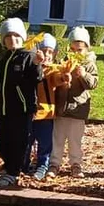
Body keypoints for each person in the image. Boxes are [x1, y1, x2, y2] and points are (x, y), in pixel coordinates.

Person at [0, 18, 43, 188]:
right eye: (9, 36)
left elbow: (36, 78)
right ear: (3, 40)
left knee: (18, 141)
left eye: (16, 36)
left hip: (21, 108)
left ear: (23, 38)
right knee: (1, 142)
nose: (13, 40)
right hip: (4, 108)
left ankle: (13, 172)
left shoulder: (29, 57)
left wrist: (37, 65)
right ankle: (8, 167)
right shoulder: (4, 59)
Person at [49, 26, 98, 178]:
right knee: (57, 138)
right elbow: (55, 80)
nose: (76, 53)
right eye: (73, 49)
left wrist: (83, 75)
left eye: (80, 50)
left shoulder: (89, 64)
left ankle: (76, 164)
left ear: (86, 49)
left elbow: (93, 84)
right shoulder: (64, 62)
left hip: (78, 109)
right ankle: (54, 163)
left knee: (75, 140)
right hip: (62, 107)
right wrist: (63, 79)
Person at [26, 34, 65, 180]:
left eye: (50, 51)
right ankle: (24, 163)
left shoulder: (52, 69)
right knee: (26, 141)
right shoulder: (30, 67)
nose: (47, 55)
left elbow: (57, 78)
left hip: (46, 113)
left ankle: (42, 165)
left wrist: (64, 77)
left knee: (45, 143)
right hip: (29, 112)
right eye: (44, 50)